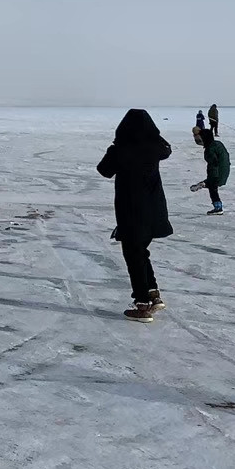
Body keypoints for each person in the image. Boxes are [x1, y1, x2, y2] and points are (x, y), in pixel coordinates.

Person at [96, 109, 174, 323]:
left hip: (131, 211)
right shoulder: (156, 147)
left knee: (133, 254)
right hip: (155, 210)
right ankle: (152, 293)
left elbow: (103, 170)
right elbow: (166, 149)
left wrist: (116, 145)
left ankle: (141, 304)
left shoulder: (122, 149)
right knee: (141, 251)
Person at [197, 130, 231, 215]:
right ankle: (205, 183)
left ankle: (218, 207)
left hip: (218, 172)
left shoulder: (210, 149)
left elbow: (214, 164)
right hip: (225, 169)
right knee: (212, 185)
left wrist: (212, 179)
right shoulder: (217, 144)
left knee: (213, 187)